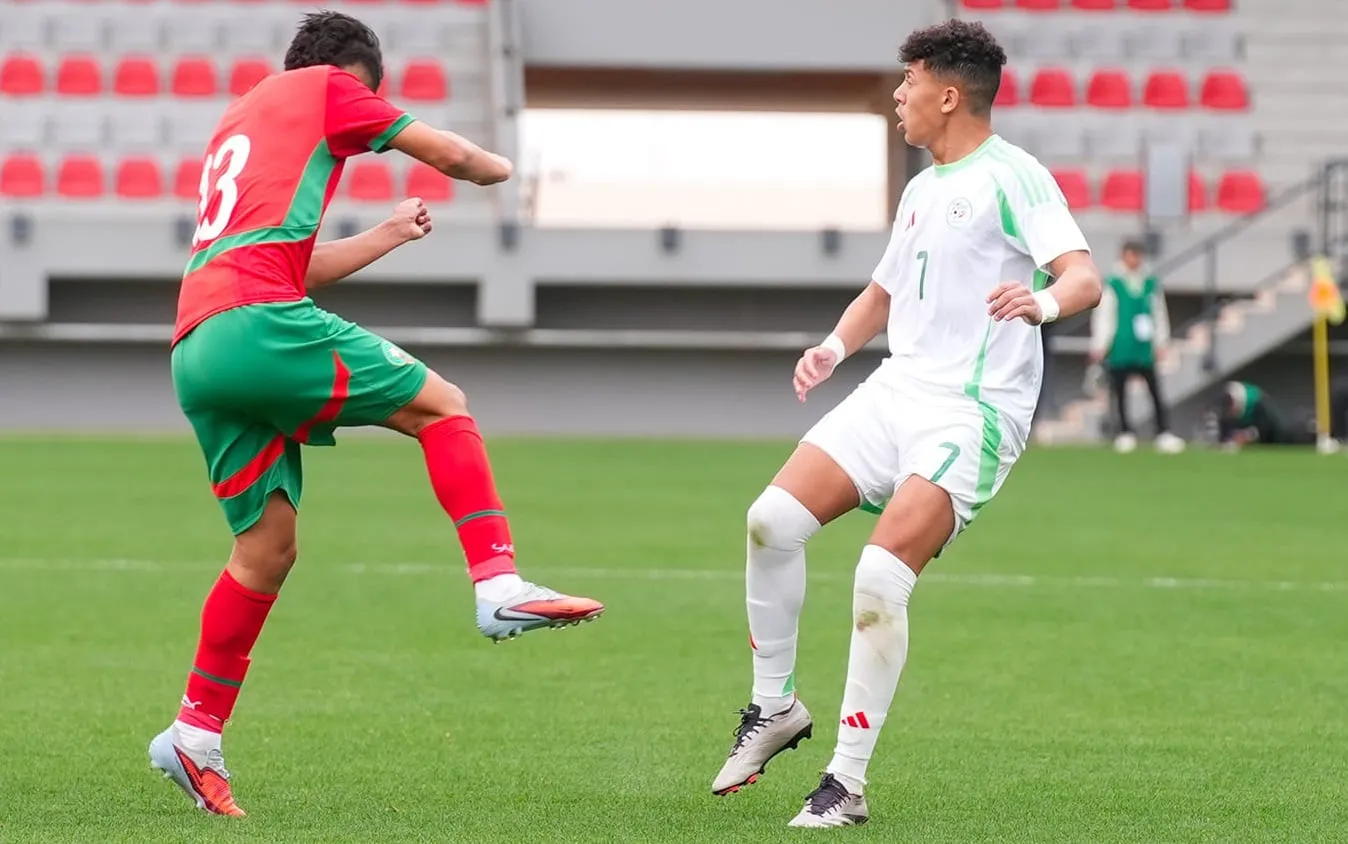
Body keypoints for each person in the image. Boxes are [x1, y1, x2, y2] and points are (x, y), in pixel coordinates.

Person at [149, 11, 603, 817]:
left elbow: (290, 263)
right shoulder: (330, 88)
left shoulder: (242, 117)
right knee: (442, 406)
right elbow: (456, 158)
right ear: (352, 75)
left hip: (198, 346)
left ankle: (194, 734)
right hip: (258, 325)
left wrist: (387, 234)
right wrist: (507, 168)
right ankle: (497, 582)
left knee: (265, 550)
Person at [709, 19, 1102, 829]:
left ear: (948, 95)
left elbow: (1083, 276)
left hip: (973, 408)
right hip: (896, 390)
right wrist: (832, 347)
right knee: (770, 521)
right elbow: (884, 292)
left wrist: (1042, 302)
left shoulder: (1015, 176)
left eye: (908, 81)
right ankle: (774, 708)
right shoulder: (923, 188)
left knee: (880, 577)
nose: (897, 96)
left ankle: (845, 783)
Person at [1089, 240, 1185, 454]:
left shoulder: (1150, 283)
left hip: (1144, 345)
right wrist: (1100, 344)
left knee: (1155, 389)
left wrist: (1161, 342)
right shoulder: (1113, 283)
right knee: (1120, 391)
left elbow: (1159, 314)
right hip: (1121, 344)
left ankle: (1163, 432)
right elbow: (1105, 316)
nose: (1135, 259)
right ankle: (1124, 432)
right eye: (1131, 255)